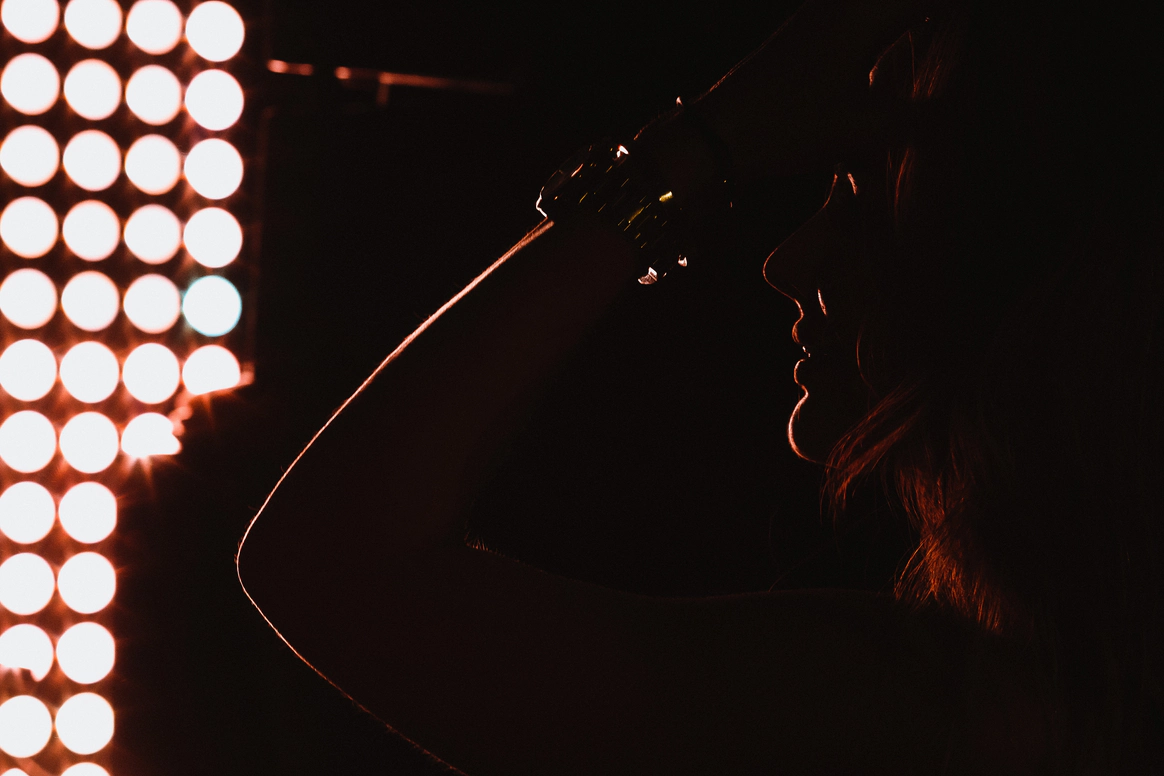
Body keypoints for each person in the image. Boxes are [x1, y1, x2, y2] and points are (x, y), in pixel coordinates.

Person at [237, 0, 1163, 772]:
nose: (784, 263)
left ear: (997, 255)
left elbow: (330, 562)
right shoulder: (1030, 706)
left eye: (863, 197)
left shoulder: (939, 716)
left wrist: (698, 148)